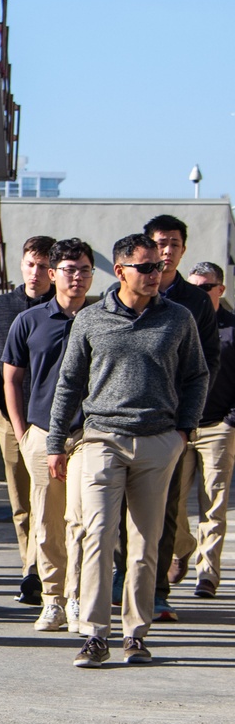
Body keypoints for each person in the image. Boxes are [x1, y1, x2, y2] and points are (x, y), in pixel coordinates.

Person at [47, 233, 208, 668]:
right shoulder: (91, 319)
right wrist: (56, 443)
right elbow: (69, 383)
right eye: (147, 267)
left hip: (159, 441)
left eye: (159, 266)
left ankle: (136, 634)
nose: (157, 274)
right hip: (101, 438)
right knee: (98, 534)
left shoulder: (178, 318)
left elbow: (197, 375)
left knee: (145, 541)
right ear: (120, 271)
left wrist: (182, 433)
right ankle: (95, 634)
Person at [2, 239, 95, 632]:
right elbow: (11, 376)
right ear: (53, 273)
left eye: (85, 269)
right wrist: (23, 433)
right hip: (41, 433)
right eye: (69, 269)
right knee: (46, 521)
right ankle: (53, 599)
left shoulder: (102, 318)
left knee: (83, 520)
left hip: (90, 434)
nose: (77, 277)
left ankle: (77, 597)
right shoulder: (30, 320)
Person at [139, 214, 220, 622]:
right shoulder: (123, 296)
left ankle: (156, 591)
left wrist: (187, 422)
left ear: (183, 249)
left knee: (168, 508)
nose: (166, 251)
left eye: (173, 243)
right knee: (123, 510)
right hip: (125, 424)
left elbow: (207, 364)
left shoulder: (195, 303)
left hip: (174, 424)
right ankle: (126, 580)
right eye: (159, 243)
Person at [0, 236, 55, 605]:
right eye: (30, 264)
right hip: (10, 418)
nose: (36, 272)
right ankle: (31, 570)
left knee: (52, 500)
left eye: (43, 266)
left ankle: (42, 570)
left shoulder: (65, 310)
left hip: (52, 422)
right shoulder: (3, 305)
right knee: (21, 501)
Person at [169, 261, 235, 598]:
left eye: (206, 287)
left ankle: (207, 574)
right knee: (172, 500)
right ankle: (183, 547)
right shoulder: (180, 322)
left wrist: (229, 421)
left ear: (220, 290)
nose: (199, 293)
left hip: (217, 426)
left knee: (214, 503)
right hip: (180, 428)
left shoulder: (232, 329)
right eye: (194, 287)